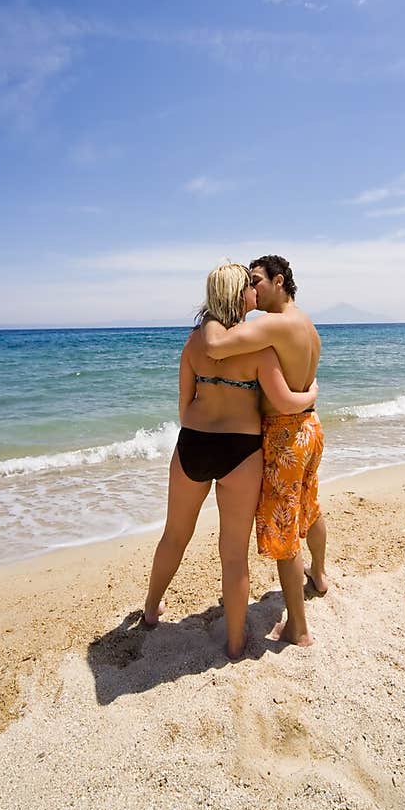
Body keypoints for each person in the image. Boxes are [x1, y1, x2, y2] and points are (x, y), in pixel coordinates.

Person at [143, 262, 318, 659]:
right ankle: (236, 644)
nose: (256, 293)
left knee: (174, 534)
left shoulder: (193, 343)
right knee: (234, 553)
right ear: (240, 295)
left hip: (194, 445)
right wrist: (311, 396)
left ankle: (151, 611)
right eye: (250, 288)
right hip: (241, 452)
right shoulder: (258, 348)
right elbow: (286, 401)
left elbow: (184, 409)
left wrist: (208, 418)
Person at [203, 254, 326, 648]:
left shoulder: (274, 324)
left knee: (284, 531)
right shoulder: (306, 322)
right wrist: (309, 394)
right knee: (309, 507)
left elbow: (217, 346)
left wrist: (208, 313)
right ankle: (319, 576)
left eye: (256, 281)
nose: (251, 289)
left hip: (284, 436)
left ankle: (299, 629)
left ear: (279, 280)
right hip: (310, 426)